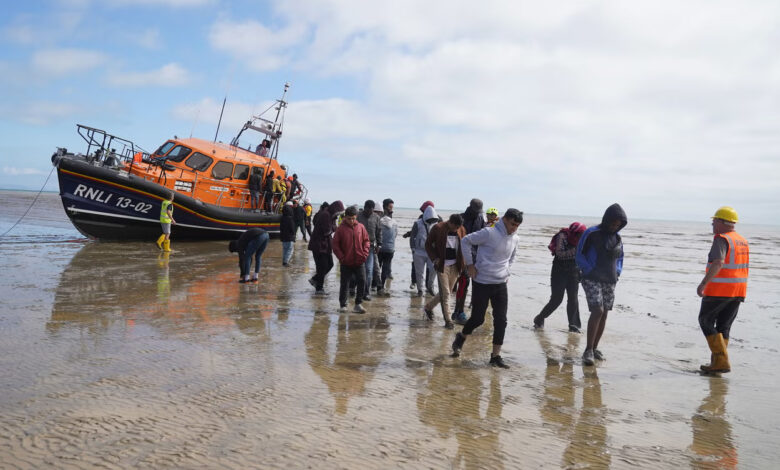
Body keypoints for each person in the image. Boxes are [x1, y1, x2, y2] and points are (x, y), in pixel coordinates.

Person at [451, 208, 523, 368]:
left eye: (517, 226)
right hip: (482, 281)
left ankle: (495, 356)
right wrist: (470, 265)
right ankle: (461, 337)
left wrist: (507, 272)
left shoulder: (515, 238)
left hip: (500, 283)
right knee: (478, 319)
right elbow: (465, 241)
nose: (514, 228)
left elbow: (512, 257)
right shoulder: (489, 233)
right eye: (512, 224)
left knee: (501, 320)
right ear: (505, 219)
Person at [697, 206, 749, 374]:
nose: (712, 224)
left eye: (714, 221)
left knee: (705, 321)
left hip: (720, 289)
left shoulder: (722, 239)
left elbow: (718, 262)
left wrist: (703, 283)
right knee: (724, 326)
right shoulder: (742, 240)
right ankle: (717, 362)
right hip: (738, 290)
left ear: (721, 222)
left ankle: (720, 361)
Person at [576, 203, 628, 366]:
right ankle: (588, 351)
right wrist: (588, 269)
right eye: (613, 223)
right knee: (597, 310)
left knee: (604, 312)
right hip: (591, 277)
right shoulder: (591, 233)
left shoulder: (618, 238)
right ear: (607, 220)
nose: (614, 227)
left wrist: (617, 272)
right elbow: (579, 254)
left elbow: (620, 258)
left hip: (610, 279)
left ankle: (595, 348)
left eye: (618, 225)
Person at [534, 222, 587, 333]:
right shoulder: (562, 236)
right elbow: (559, 254)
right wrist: (576, 250)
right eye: (579, 235)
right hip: (559, 270)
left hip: (574, 270)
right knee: (557, 299)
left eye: (582, 235)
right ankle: (540, 318)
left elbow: (584, 256)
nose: (580, 237)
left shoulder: (583, 240)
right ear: (574, 233)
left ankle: (574, 326)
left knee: (573, 298)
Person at [424, 213, 466, 329]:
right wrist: (435, 259)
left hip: (456, 265)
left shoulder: (462, 229)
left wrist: (465, 263)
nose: (456, 229)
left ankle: (428, 307)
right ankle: (448, 321)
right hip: (442, 265)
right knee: (446, 293)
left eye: (458, 227)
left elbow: (465, 245)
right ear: (450, 222)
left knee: (447, 292)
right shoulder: (438, 228)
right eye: (455, 227)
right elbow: (428, 244)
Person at [453, 198, 487, 324]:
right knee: (462, 284)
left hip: (476, 257)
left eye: (479, 211)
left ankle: (461, 310)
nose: (477, 213)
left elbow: (484, 237)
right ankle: (459, 311)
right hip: (460, 256)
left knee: (474, 285)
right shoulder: (460, 218)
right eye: (475, 211)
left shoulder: (480, 219)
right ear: (470, 207)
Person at [333, 205, 370, 313]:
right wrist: (342, 257)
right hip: (346, 262)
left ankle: (358, 304)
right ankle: (343, 305)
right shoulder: (340, 229)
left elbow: (366, 241)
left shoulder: (361, 227)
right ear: (345, 217)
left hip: (360, 260)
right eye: (349, 218)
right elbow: (335, 245)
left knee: (362, 281)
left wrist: (365, 254)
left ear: (356, 217)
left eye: (353, 218)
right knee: (345, 284)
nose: (351, 221)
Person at [308, 200, 345, 294]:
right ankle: (319, 288)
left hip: (326, 244)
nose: (338, 215)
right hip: (319, 245)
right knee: (322, 266)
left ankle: (315, 280)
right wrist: (336, 228)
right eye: (338, 212)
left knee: (330, 264)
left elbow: (332, 228)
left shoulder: (331, 216)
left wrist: (335, 228)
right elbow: (327, 231)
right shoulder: (326, 215)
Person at [410, 204, 439, 296]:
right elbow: (412, 236)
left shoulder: (436, 224)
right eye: (430, 219)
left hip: (431, 252)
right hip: (419, 251)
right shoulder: (417, 223)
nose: (431, 221)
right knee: (419, 272)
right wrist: (413, 249)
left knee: (433, 270)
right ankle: (420, 290)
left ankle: (430, 287)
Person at [357, 200, 382, 301]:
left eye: (371, 211)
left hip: (370, 247)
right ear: (364, 208)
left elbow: (379, 232)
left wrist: (379, 245)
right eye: (367, 210)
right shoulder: (358, 216)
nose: (369, 212)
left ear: (373, 209)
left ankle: (366, 293)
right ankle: (354, 289)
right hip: (358, 247)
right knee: (357, 270)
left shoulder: (376, 217)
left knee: (369, 270)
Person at [377, 198, 398, 295]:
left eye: (392, 207)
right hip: (390, 248)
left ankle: (376, 285)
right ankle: (381, 285)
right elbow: (395, 234)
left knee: (378, 267)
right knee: (385, 268)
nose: (391, 209)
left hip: (380, 247)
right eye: (390, 207)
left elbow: (377, 232)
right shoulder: (393, 221)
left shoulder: (379, 219)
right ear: (385, 207)